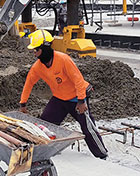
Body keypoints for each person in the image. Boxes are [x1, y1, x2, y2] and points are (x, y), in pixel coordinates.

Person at [19, 29, 108, 159]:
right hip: (59, 99)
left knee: (88, 128)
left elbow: (78, 80)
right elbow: (28, 84)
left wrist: (81, 101)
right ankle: (44, 152)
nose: (34, 53)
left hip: (77, 98)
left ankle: (102, 154)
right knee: (45, 125)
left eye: (36, 50)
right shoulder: (37, 67)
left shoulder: (63, 59)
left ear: (44, 48)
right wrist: (23, 104)